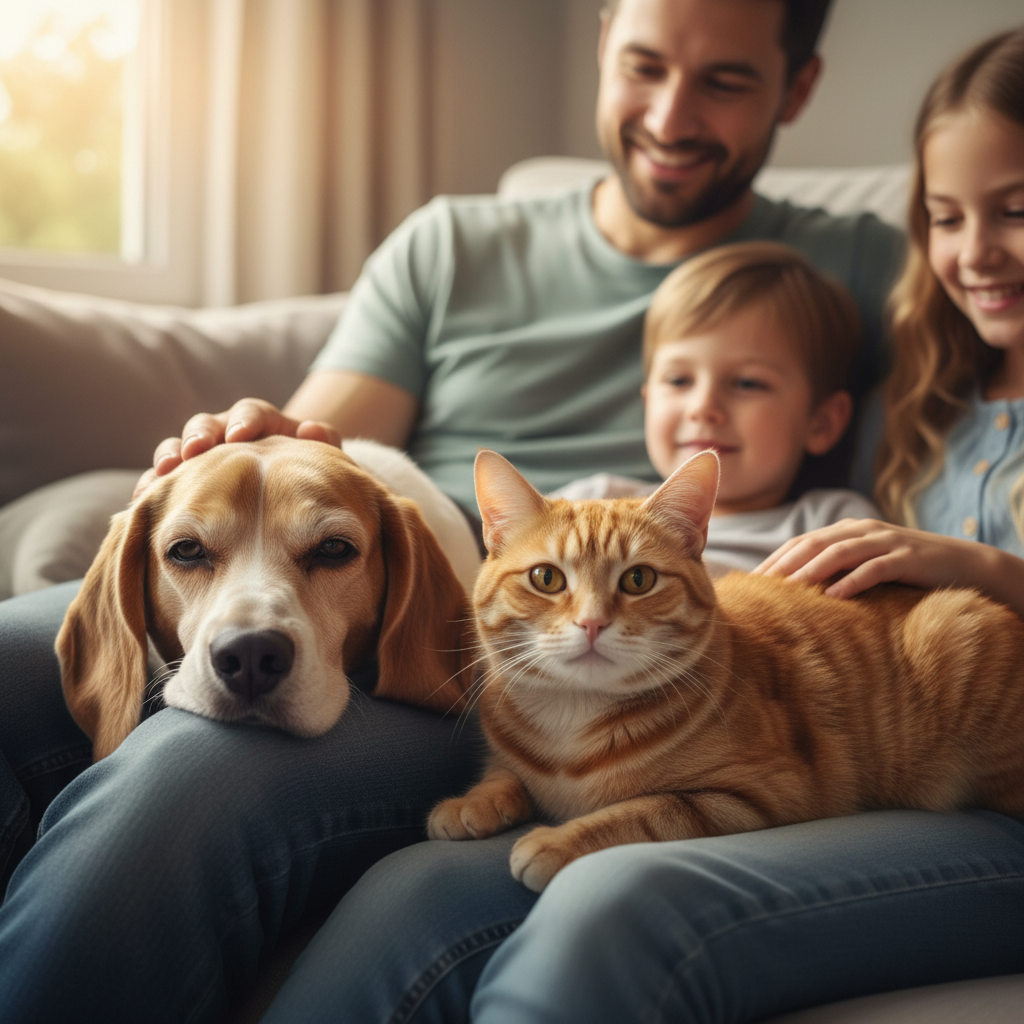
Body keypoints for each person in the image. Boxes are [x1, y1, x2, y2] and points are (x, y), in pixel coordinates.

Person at [0, 1, 910, 1021]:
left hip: (469, 663)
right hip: (430, 570)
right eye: (643, 65)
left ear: (796, 88)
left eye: (725, 82)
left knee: (179, 783)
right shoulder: (448, 243)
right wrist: (254, 436)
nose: (670, 112)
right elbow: (316, 450)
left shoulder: (870, 268)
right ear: (602, 45)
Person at [252, 25, 1024, 1024]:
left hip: (966, 766)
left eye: (1013, 209)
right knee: (407, 894)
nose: (972, 250)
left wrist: (989, 571)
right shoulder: (931, 387)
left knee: (613, 898)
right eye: (942, 216)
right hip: (820, 718)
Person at [550, 240, 880, 574]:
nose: (703, 407)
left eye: (747, 383)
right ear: (648, 401)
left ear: (820, 423)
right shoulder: (592, 500)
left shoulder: (832, 524)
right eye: (679, 380)